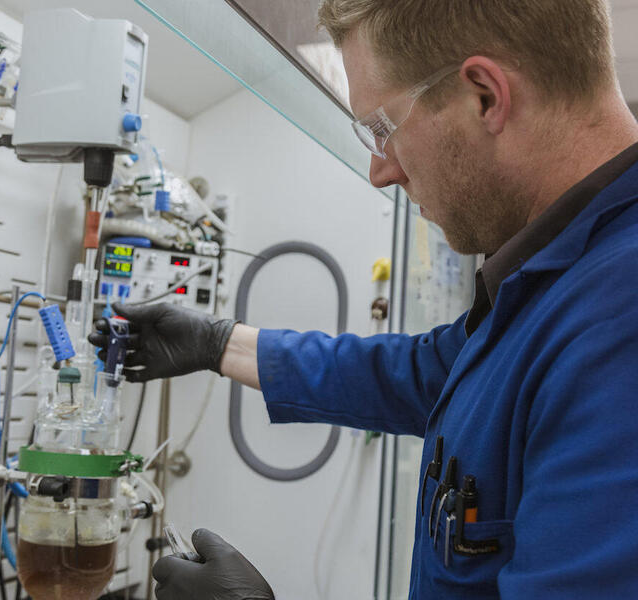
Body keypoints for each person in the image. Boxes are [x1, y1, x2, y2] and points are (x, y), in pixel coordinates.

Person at [90, 0, 638, 597]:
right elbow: (420, 372)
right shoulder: (555, 275)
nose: (381, 171)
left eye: (382, 128)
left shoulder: (619, 319)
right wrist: (216, 342)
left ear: (485, 95)